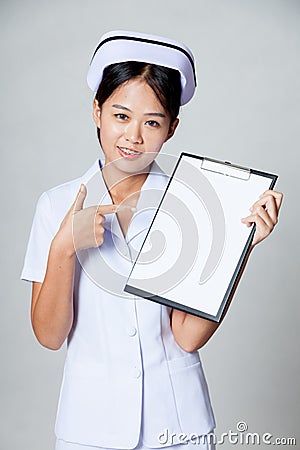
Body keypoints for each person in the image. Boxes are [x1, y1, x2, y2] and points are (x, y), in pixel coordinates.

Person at [21, 30, 283, 450]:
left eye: (153, 122)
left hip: (178, 427)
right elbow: (50, 336)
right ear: (97, 111)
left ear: (172, 128)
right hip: (89, 428)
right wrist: (64, 245)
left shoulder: (196, 206)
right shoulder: (55, 205)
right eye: (121, 116)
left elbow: (186, 337)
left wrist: (238, 246)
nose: (134, 137)